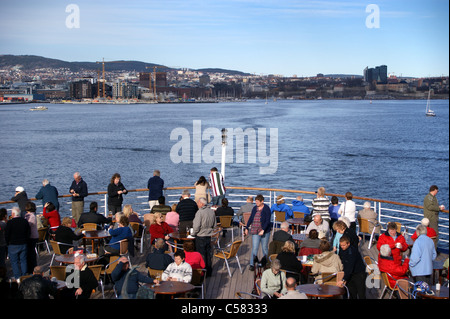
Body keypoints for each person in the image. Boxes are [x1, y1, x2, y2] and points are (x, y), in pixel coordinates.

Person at [244, 194, 272, 271]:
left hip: (265, 231)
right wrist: (247, 227)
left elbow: (267, 221)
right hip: (255, 230)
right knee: (255, 248)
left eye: (257, 201)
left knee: (264, 248)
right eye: (255, 201)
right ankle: (252, 264)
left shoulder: (266, 209)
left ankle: (266, 262)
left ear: (262, 201)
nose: (256, 203)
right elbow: (251, 218)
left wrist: (263, 229)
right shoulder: (254, 208)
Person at [191, 197, 216, 277]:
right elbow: (214, 225)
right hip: (208, 236)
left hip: (200, 236)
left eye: (198, 202)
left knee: (201, 254)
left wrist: (193, 233)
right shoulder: (211, 211)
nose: (197, 204)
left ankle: (203, 272)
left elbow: (196, 226)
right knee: (208, 254)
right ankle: (209, 271)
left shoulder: (199, 212)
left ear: (201, 204)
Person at [5, 207, 30, 280]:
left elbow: (7, 234)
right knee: (23, 260)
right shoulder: (25, 221)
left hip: (13, 244)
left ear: (13, 214)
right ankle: (24, 275)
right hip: (23, 243)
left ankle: (17, 277)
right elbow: (28, 233)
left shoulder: (10, 223)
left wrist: (8, 243)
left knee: (14, 262)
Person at [24, 202, 39, 274]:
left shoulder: (30, 216)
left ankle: (32, 268)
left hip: (32, 237)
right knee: (31, 253)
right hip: (33, 236)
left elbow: (28, 225)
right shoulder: (30, 215)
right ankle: (31, 268)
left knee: (31, 253)